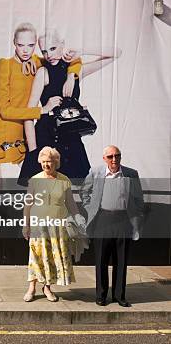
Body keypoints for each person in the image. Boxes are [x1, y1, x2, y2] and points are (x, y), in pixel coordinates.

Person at [0, 23, 80, 178]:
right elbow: (4, 110)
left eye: (30, 45)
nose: (25, 50)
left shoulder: (38, 61)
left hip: (21, 133)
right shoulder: (5, 64)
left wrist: (71, 75)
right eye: (21, 45)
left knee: (35, 180)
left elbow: (71, 59)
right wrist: (42, 110)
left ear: (36, 44)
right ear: (14, 43)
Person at [19, 30, 122, 184]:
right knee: (44, 191)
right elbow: (28, 114)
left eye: (53, 49)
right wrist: (34, 151)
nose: (48, 55)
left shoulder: (74, 71)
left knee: (79, 188)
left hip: (70, 135)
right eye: (44, 51)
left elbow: (116, 53)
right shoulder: (43, 72)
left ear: (63, 45)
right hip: (46, 135)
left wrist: (81, 52)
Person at [80, 145, 145, 307]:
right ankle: (101, 295)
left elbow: (138, 199)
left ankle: (119, 296)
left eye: (117, 156)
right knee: (101, 260)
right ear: (104, 159)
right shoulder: (95, 173)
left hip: (124, 221)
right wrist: (90, 208)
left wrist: (136, 217)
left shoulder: (131, 174)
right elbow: (84, 192)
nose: (114, 159)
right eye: (110, 157)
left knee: (121, 261)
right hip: (103, 220)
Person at [22, 147, 85, 302]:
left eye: (49, 162)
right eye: (43, 162)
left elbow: (71, 204)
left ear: (56, 162)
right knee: (35, 257)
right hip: (39, 225)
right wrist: (26, 225)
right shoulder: (35, 180)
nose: (46, 165)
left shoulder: (64, 180)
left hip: (58, 225)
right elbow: (28, 205)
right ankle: (31, 287)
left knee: (51, 257)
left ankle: (47, 288)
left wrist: (78, 219)